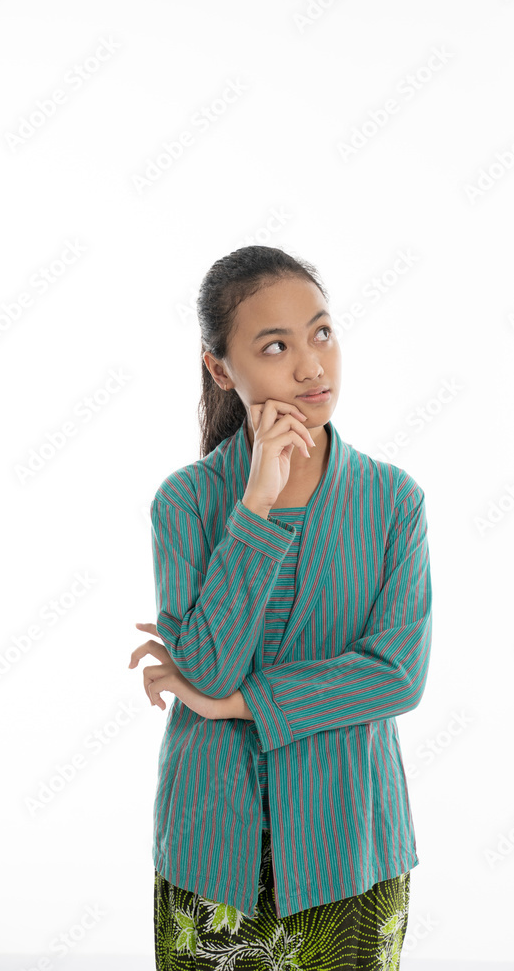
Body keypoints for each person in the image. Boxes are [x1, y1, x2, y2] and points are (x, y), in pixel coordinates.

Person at [129, 245, 433, 969]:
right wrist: (257, 505)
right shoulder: (187, 502)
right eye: (275, 346)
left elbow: (395, 676)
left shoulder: (392, 501)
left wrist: (241, 705)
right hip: (212, 851)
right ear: (220, 368)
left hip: (350, 851)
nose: (311, 367)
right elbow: (205, 668)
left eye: (321, 333)